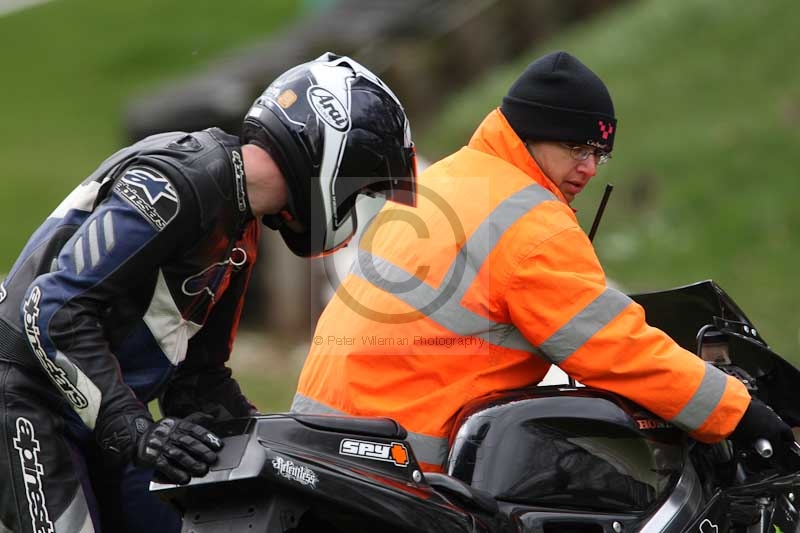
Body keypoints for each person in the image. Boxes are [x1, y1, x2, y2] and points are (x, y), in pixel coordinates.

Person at [292, 50, 795, 473]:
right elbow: (613, 349)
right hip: (405, 460)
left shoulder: (448, 178)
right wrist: (739, 412)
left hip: (320, 438)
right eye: (577, 147)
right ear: (530, 135)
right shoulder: (529, 221)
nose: (590, 168)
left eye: (601, 152)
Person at [0, 52, 417, 533]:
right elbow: (50, 310)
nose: (357, 202)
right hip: (26, 402)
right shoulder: (180, 182)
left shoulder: (240, 224)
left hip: (107, 419)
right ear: (328, 151)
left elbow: (196, 381)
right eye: (361, 184)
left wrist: (287, 451)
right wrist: (136, 430)